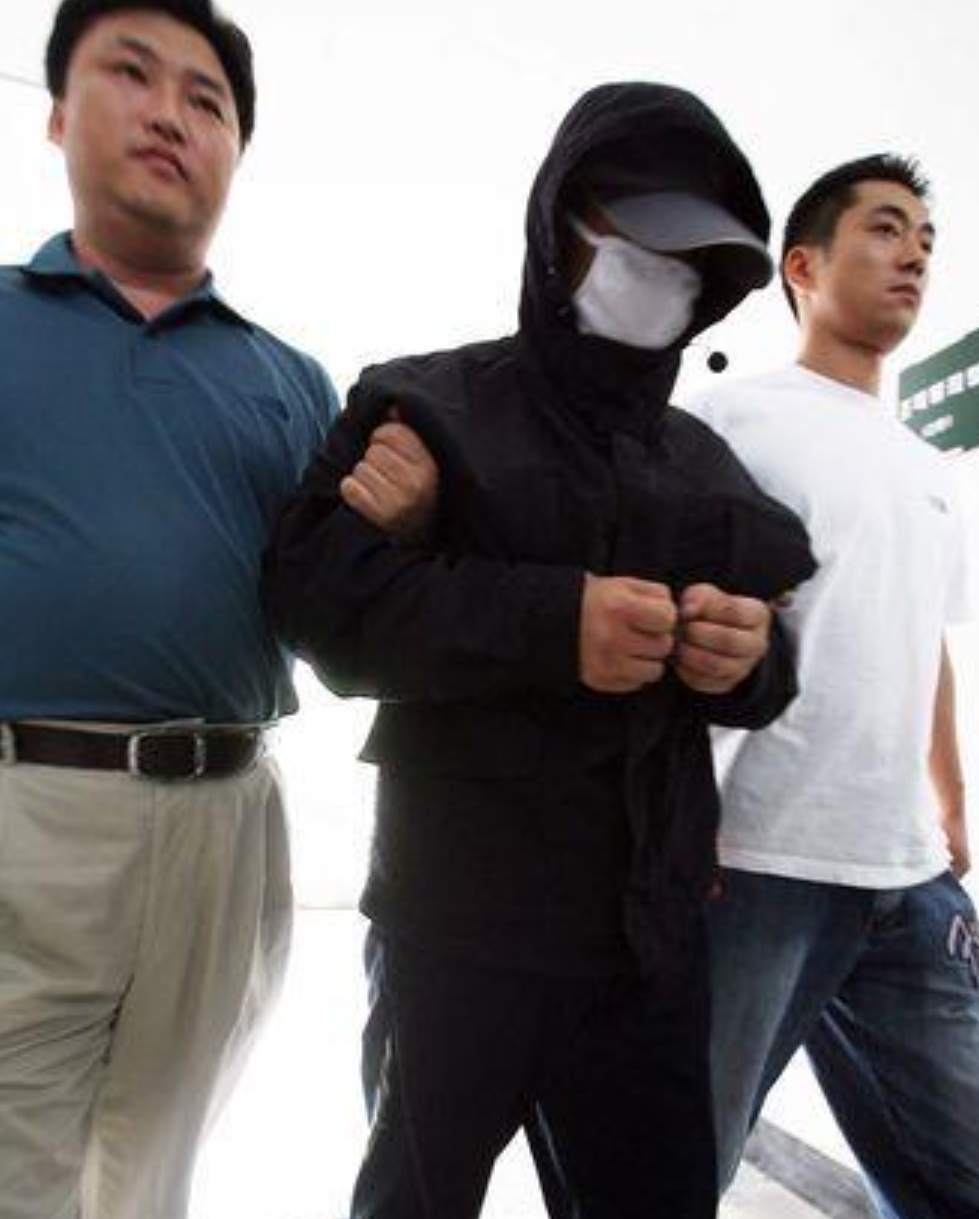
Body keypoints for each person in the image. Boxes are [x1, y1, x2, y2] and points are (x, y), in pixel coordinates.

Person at [263, 82, 816, 1219]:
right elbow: (315, 605)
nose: (658, 276)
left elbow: (774, 666)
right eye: (634, 240)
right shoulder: (423, 406)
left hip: (650, 948)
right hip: (455, 934)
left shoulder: (708, 469)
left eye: (689, 262)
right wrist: (552, 623)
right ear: (556, 226)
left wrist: (748, 657)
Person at [0, 3, 425, 1216]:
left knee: (153, 1172)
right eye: (131, 74)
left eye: (206, 100)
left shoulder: (289, 382)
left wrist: (395, 534)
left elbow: (333, 633)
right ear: (58, 114)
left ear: (237, 149)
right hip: (29, 807)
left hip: (228, 823)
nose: (169, 115)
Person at [682, 155, 979, 1219]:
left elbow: (921, 639)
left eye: (926, 241)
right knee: (673, 1172)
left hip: (905, 874)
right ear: (801, 266)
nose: (914, 256)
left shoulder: (924, 463)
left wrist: (951, 803)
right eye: (885, 229)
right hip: (754, 863)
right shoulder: (727, 419)